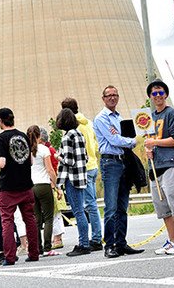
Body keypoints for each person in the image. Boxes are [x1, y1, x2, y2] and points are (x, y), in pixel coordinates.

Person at [94, 85, 144, 258]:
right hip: (111, 163)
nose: (112, 98)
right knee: (111, 207)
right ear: (103, 98)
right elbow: (114, 139)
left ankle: (121, 243)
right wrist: (131, 141)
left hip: (123, 162)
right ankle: (109, 245)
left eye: (115, 95)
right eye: (109, 95)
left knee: (122, 206)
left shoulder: (119, 117)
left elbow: (121, 136)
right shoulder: (101, 118)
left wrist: (126, 140)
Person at [143, 79, 174, 255]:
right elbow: (150, 141)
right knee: (163, 208)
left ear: (166, 95)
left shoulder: (171, 114)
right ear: (150, 97)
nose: (157, 96)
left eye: (160, 93)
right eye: (154, 94)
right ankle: (172, 240)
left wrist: (155, 142)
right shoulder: (149, 118)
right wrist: (149, 149)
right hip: (156, 167)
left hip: (171, 164)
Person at [0, 107, 40, 265]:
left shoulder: (1, 138)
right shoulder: (23, 136)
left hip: (9, 187)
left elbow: (2, 162)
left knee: (7, 220)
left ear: (0, 120)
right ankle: (34, 253)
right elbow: (31, 161)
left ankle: (10, 257)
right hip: (26, 185)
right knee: (30, 219)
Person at [61, 98, 103, 251]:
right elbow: (95, 145)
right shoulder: (89, 123)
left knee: (84, 206)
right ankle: (96, 237)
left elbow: (71, 156)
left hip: (81, 170)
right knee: (91, 205)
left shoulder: (73, 129)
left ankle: (95, 239)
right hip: (93, 164)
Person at [56, 108, 92, 257]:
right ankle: (85, 242)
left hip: (71, 178)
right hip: (82, 176)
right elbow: (86, 157)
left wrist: (58, 156)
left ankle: (84, 244)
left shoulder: (66, 137)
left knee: (78, 211)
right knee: (81, 210)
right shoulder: (79, 135)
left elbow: (69, 161)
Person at [28, 125, 61, 257]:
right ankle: (48, 247)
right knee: (48, 217)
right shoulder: (44, 149)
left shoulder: (26, 151)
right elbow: (50, 170)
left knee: (36, 219)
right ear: (39, 136)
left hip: (31, 186)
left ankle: (38, 248)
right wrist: (57, 185)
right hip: (43, 185)